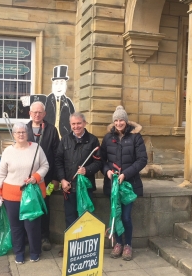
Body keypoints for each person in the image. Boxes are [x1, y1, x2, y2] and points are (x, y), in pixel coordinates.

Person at [0, 122, 49, 264]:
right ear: (13, 135)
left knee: (32, 226)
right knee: (16, 226)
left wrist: (36, 177)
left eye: (23, 132)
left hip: (31, 195)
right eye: (18, 132)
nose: (21, 135)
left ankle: (35, 251)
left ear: (27, 134)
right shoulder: (8, 151)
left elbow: (45, 165)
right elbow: (1, 173)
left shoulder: (36, 148)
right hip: (11, 195)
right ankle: (18, 252)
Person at [100, 105, 147, 261]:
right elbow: (102, 160)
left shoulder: (135, 137)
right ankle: (118, 243)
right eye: (116, 120)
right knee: (116, 215)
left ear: (126, 121)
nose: (119, 123)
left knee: (126, 216)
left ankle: (128, 245)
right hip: (112, 184)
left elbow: (142, 160)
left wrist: (126, 174)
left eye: (121, 120)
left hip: (128, 185)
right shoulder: (108, 138)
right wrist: (107, 171)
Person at [55, 112, 102, 256]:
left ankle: (84, 249)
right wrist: (62, 179)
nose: (76, 126)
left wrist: (87, 170)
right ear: (70, 125)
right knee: (70, 217)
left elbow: (99, 162)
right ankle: (70, 247)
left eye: (79, 123)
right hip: (69, 187)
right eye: (73, 124)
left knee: (85, 217)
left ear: (85, 123)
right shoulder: (65, 140)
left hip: (85, 187)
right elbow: (58, 161)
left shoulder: (93, 140)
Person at [26, 101, 60, 251]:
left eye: (40, 112)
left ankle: (44, 237)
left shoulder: (52, 130)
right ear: (30, 113)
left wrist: (56, 178)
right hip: (27, 178)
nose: (37, 114)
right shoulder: (23, 129)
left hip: (46, 178)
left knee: (45, 207)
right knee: (28, 206)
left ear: (44, 114)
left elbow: (57, 155)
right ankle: (29, 236)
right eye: (34, 112)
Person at [21, 65, 75, 138]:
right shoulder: (45, 100)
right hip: (47, 137)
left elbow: (73, 122)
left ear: (65, 85)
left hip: (64, 139)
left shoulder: (68, 103)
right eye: (56, 83)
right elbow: (28, 101)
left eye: (61, 83)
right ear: (52, 85)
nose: (59, 87)